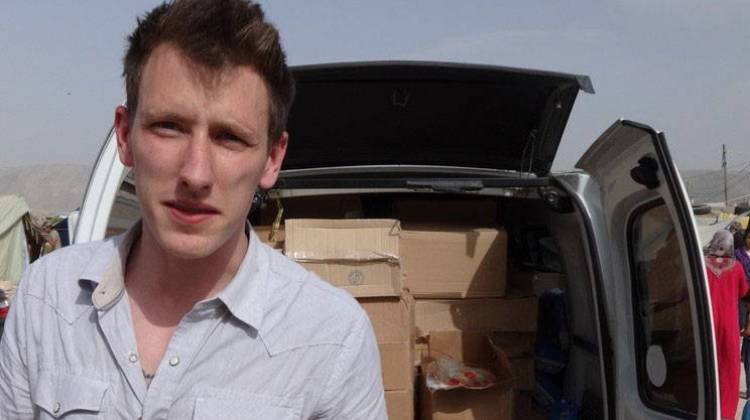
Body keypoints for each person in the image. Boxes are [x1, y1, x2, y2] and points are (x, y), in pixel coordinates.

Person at [0, 1, 387, 418]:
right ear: (125, 135)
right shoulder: (47, 300)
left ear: (273, 158)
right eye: (169, 126)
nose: (196, 174)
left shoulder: (331, 339)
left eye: (230, 137)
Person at [705, 230, 749, 419]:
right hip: (729, 327)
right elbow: (744, 293)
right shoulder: (737, 267)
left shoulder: (702, 266)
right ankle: (725, 415)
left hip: (707, 327)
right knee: (729, 374)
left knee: (708, 369)